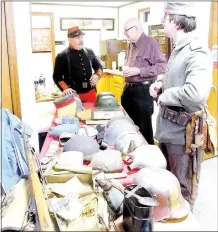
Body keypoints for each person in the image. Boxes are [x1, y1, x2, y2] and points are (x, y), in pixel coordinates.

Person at [149, 2, 213, 209]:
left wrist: (167, 95)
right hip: (170, 129)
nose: (162, 24)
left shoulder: (197, 51)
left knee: (181, 189)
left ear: (175, 21)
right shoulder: (180, 48)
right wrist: (160, 83)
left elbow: (196, 93)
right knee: (168, 183)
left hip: (182, 134)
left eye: (164, 20)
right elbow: (174, 76)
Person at [121, 18, 166, 145]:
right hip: (129, 89)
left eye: (126, 31)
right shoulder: (130, 44)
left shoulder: (150, 43)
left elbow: (161, 66)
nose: (125, 34)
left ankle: (148, 159)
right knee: (129, 127)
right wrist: (128, 70)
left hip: (143, 91)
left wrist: (139, 71)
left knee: (144, 129)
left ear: (136, 28)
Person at [53, 26, 103, 103]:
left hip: (90, 93)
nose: (81, 40)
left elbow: (99, 67)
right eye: (77, 38)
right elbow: (57, 76)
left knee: (92, 114)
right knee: (75, 115)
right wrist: (65, 88)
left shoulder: (89, 51)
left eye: (81, 37)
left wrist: (97, 75)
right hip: (73, 95)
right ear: (69, 39)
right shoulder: (62, 56)